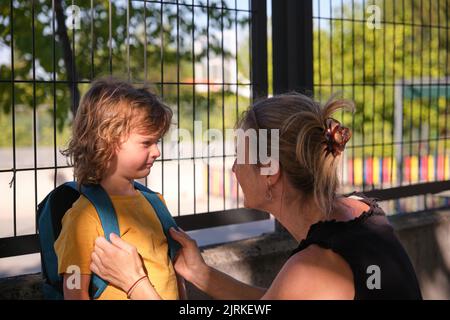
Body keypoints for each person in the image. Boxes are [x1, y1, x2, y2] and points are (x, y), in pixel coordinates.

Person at [89, 93, 423, 300]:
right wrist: (201, 274)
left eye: (241, 157)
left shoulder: (316, 266)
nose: (234, 169)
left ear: (271, 172)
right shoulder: (362, 212)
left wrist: (134, 283)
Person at [55, 78, 186, 300]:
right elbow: (74, 291)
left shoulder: (156, 203)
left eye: (158, 142)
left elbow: (175, 274)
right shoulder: (82, 218)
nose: (156, 152)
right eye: (146, 143)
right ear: (106, 142)